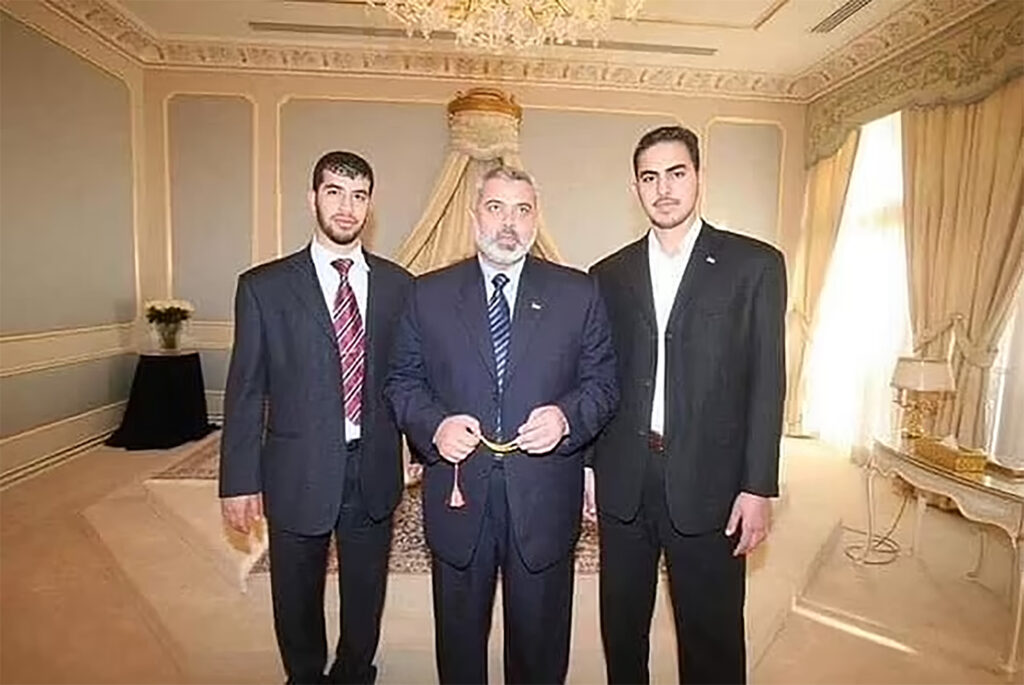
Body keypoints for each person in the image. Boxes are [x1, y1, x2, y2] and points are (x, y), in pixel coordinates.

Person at [385, 165, 618, 684]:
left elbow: (603, 386)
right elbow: (401, 382)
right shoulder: (427, 294)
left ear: (536, 220)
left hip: (544, 500)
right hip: (460, 496)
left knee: (539, 644)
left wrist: (564, 418)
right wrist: (435, 427)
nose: (508, 223)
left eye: (522, 210)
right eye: (495, 208)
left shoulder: (579, 293)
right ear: (474, 218)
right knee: (460, 642)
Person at [588, 125, 786, 684]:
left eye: (676, 173)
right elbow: (598, 378)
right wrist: (586, 468)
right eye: (650, 177)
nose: (664, 189)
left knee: (713, 637)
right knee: (621, 631)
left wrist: (758, 486)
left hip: (713, 482)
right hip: (625, 479)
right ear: (636, 188)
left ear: (698, 177)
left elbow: (767, 383)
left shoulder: (755, 266)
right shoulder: (607, 275)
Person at [219, 151, 412, 684]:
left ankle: (354, 671)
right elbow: (245, 391)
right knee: (296, 592)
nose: (346, 207)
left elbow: (408, 377)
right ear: (313, 199)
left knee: (365, 590)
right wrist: (238, 480)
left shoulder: (400, 286)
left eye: (358, 195)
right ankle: (304, 674)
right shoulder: (264, 287)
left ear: (369, 205)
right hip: (296, 468)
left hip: (372, 467)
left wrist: (417, 450)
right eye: (334, 192)